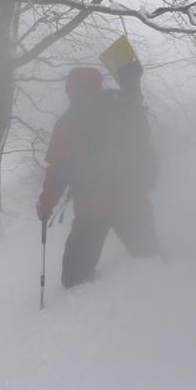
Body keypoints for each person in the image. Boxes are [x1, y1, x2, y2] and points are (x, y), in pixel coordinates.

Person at [37, 64, 161, 287]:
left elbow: (57, 170)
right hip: (133, 201)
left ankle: (85, 310)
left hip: (92, 209)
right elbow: (143, 141)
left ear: (71, 90)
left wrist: (46, 205)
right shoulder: (124, 104)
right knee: (151, 259)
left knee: (75, 279)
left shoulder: (67, 123)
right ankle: (165, 294)